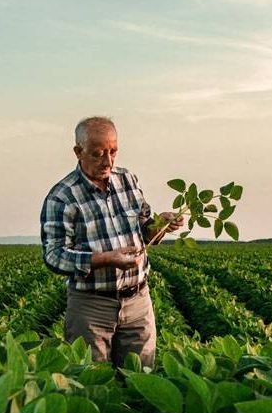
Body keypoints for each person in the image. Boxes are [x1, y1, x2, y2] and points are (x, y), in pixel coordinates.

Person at [39, 116, 183, 369]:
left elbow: (144, 229)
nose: (107, 161)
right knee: (92, 383)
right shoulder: (62, 196)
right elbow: (54, 255)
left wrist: (160, 225)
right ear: (78, 152)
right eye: (97, 154)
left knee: (141, 379)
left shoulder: (128, 179)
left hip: (138, 301)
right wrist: (106, 259)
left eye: (113, 151)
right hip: (91, 307)